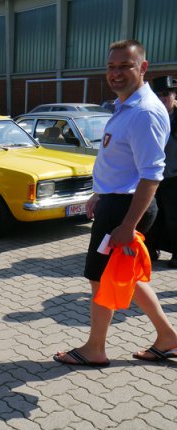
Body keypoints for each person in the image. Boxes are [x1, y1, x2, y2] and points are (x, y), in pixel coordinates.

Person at [54, 40, 177, 366]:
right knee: (127, 276)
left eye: (125, 66)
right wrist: (100, 193)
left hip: (124, 210)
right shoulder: (125, 106)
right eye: (111, 66)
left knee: (99, 278)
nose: (116, 73)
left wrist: (127, 225)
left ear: (143, 68)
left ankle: (95, 349)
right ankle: (168, 338)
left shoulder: (144, 112)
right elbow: (123, 164)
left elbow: (151, 175)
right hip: (116, 202)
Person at [145, 76, 177, 266]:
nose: (162, 98)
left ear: (174, 95)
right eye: (158, 95)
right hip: (152, 178)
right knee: (152, 216)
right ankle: (150, 249)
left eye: (166, 94)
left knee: (174, 218)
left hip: (174, 177)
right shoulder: (150, 117)